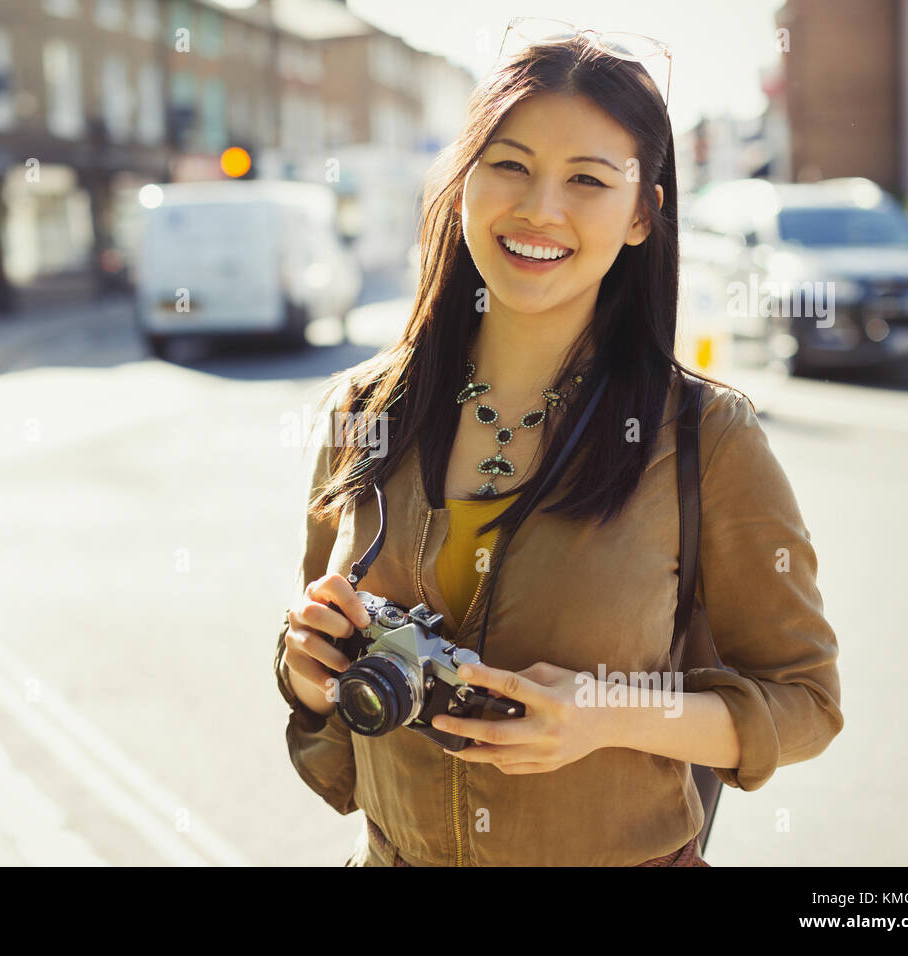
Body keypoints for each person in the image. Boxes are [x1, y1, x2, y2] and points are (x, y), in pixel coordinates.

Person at [273, 29, 843, 867]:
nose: (541, 208)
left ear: (644, 212)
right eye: (509, 164)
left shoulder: (706, 436)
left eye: (587, 179)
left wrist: (603, 714)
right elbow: (317, 661)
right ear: (463, 178)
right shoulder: (363, 412)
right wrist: (305, 667)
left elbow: (805, 703)